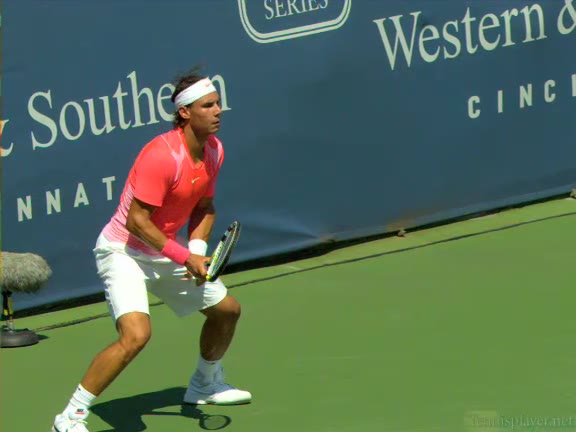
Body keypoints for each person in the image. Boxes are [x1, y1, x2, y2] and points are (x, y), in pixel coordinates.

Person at [51, 69, 251, 432]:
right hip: (123, 251)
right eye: (208, 105)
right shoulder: (161, 156)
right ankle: (70, 417)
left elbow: (204, 207)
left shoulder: (214, 151)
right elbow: (136, 222)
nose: (218, 110)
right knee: (136, 335)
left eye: (218, 103)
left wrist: (196, 249)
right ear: (185, 112)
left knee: (227, 311)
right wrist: (185, 257)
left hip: (164, 250)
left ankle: (205, 384)